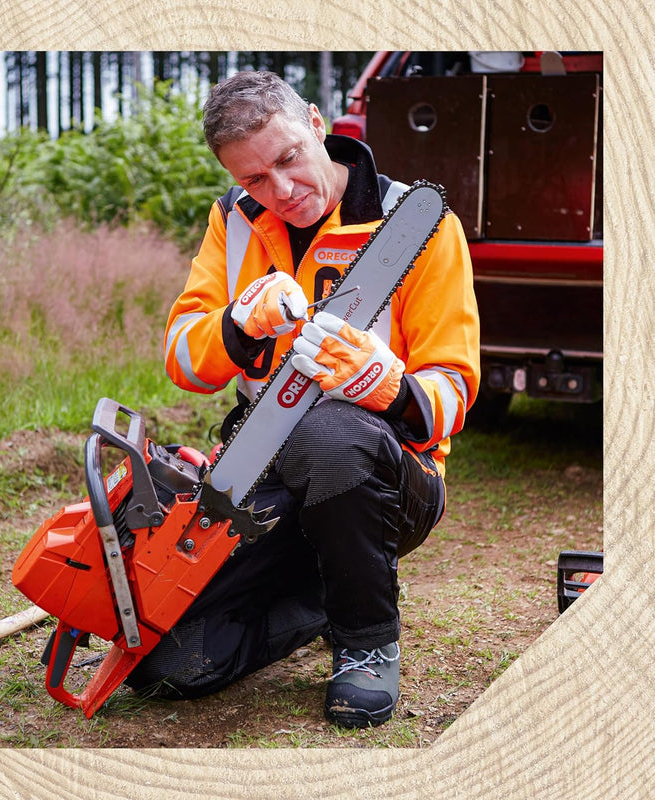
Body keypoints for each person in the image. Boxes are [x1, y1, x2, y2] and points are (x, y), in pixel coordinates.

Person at [126, 70, 480, 729]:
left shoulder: (418, 225)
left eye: (289, 160)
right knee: (167, 663)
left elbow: (454, 390)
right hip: (265, 482)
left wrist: (393, 388)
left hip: (392, 479)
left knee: (331, 433)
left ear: (318, 125)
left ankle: (366, 641)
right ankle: (319, 595)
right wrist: (237, 322)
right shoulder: (232, 225)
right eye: (256, 179)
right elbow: (182, 356)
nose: (281, 192)